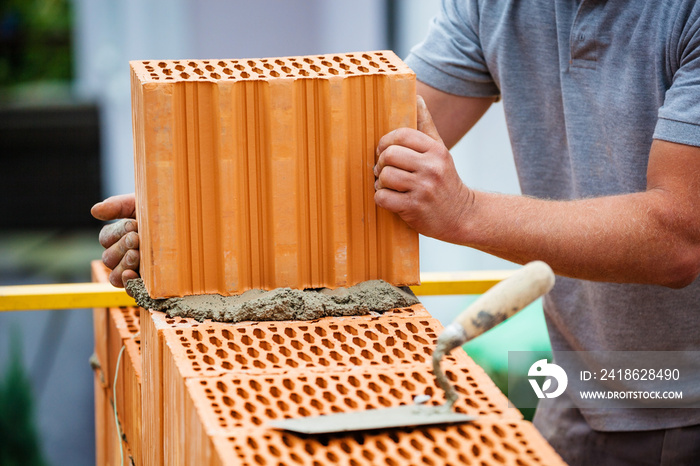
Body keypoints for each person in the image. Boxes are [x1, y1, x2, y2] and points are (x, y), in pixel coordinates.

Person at [93, 1, 700, 463]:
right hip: (580, 379)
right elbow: (362, 143)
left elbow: (678, 236)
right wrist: (191, 217)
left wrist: (465, 214)